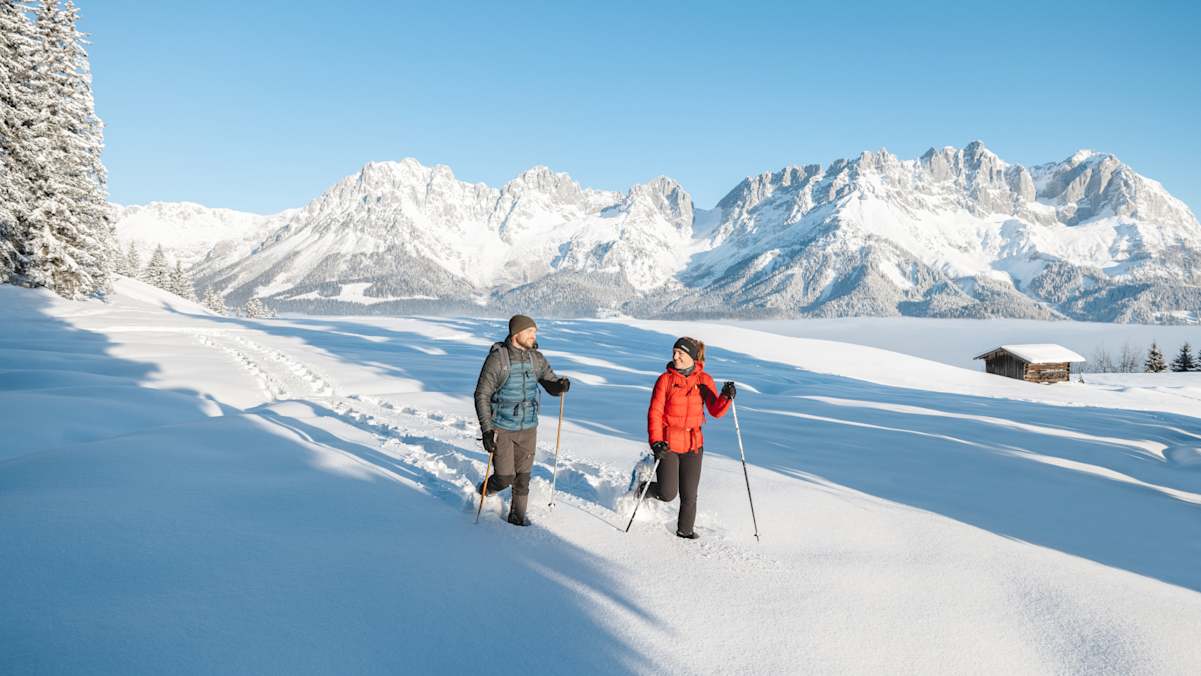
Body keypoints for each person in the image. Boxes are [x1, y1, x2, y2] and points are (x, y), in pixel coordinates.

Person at [474, 314, 570, 526]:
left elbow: (549, 381)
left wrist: (559, 386)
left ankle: (517, 521)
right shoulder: (498, 359)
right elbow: (482, 394)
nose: (534, 335)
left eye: (534, 332)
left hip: (528, 427)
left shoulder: (536, 358)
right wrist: (487, 430)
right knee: (505, 477)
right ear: (516, 333)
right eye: (530, 331)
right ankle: (483, 490)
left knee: (523, 478)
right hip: (503, 428)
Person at [643, 336, 735, 539]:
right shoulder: (665, 380)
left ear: (692, 357)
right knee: (668, 493)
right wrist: (656, 442)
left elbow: (715, 411)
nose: (675, 356)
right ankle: (643, 488)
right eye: (674, 352)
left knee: (689, 496)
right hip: (668, 445)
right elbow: (655, 414)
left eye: (680, 353)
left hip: (694, 445)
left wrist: (726, 397)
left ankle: (685, 533)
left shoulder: (704, 380)